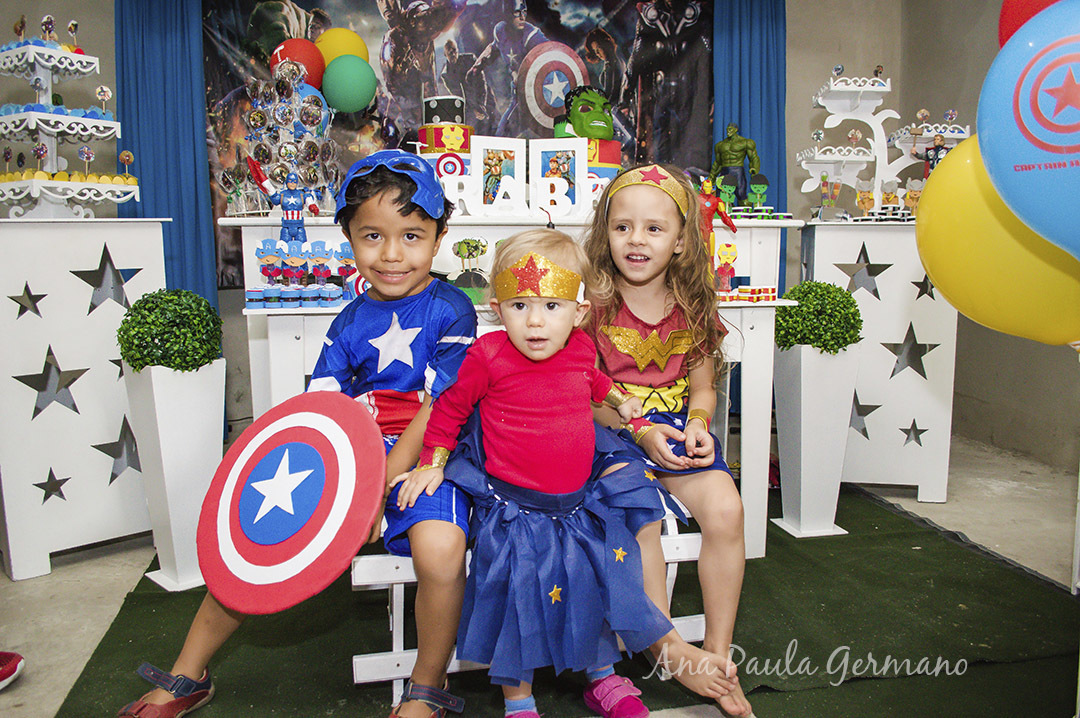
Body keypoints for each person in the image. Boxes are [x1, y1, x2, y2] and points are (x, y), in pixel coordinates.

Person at [116, 150, 477, 718]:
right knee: (263, 532)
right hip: (358, 452)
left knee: (440, 550)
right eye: (372, 236)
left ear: (439, 238)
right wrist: (340, 484)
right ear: (348, 239)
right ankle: (190, 673)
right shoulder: (348, 320)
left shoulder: (452, 308)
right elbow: (320, 408)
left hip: (433, 451)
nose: (391, 254)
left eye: (411, 235)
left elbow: (443, 408)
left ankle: (427, 687)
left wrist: (380, 487)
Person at [391, 230, 674, 718]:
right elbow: (450, 410)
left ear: (579, 313)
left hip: (576, 505)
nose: (536, 321)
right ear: (498, 310)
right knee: (517, 600)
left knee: (590, 581)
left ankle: (602, 676)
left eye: (551, 305)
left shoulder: (582, 350)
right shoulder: (488, 356)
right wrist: (431, 463)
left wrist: (622, 403)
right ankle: (519, 701)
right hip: (514, 511)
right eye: (520, 306)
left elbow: (598, 383)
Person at [584, 164, 754, 717]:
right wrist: (637, 428)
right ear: (604, 234)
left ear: (681, 240)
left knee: (727, 510)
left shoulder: (696, 308)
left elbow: (702, 388)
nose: (637, 239)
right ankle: (668, 649)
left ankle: (717, 659)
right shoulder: (590, 308)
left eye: (654, 229)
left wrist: (700, 427)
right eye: (623, 226)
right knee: (644, 519)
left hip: (678, 433)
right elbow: (581, 399)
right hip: (612, 437)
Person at [708, 123, 760, 207]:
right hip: (725, 170)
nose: (728, 131)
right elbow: (717, 162)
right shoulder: (720, 145)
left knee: (741, 194)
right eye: (728, 129)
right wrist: (712, 176)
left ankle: (744, 216)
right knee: (722, 196)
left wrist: (754, 169)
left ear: (736, 130)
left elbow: (754, 157)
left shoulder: (745, 142)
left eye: (731, 129)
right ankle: (726, 213)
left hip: (737, 170)